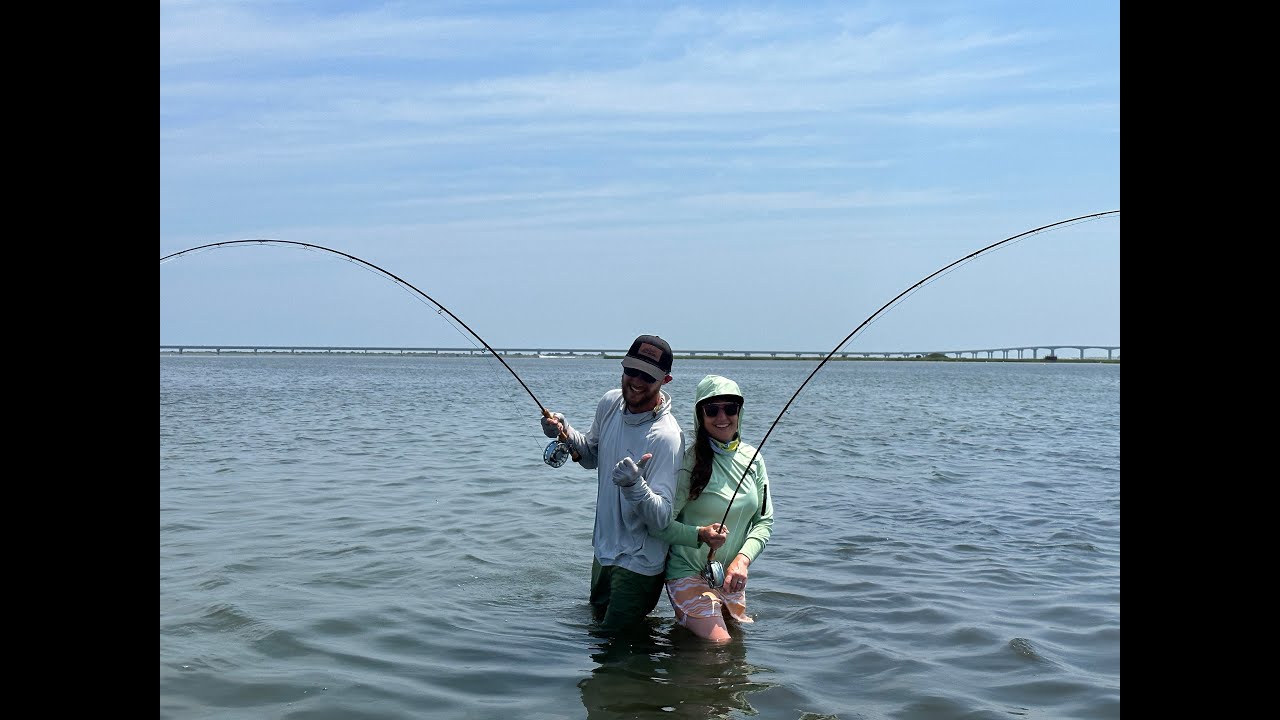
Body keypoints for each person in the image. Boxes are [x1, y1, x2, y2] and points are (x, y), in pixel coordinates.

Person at [541, 334, 727, 635]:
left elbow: (661, 518)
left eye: (648, 376)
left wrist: (634, 486)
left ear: (665, 380)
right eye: (632, 370)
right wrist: (564, 430)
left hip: (639, 564)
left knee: (614, 644)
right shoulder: (610, 403)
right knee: (598, 638)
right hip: (603, 551)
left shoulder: (666, 437)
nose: (637, 381)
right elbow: (590, 456)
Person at [650, 374, 774, 642]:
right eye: (712, 410)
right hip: (686, 571)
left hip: (731, 576)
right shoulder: (687, 462)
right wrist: (699, 534)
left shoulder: (754, 459)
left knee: (737, 643)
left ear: (740, 412)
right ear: (700, 415)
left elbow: (764, 521)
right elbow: (659, 525)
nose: (722, 417)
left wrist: (742, 560)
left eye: (730, 408)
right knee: (721, 645)